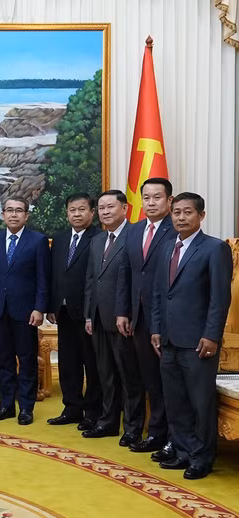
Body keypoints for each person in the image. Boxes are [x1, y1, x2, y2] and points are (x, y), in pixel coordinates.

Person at [151, 192, 232, 480]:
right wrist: (156, 329)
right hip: (169, 339)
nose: (181, 217)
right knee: (176, 401)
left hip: (199, 341)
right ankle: (183, 450)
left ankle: (201, 458)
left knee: (200, 402)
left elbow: (219, 299)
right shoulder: (165, 249)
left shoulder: (214, 249)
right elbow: (160, 294)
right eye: (176, 213)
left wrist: (212, 335)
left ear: (201, 216)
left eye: (187, 212)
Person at [116, 177, 176, 457]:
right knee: (140, 377)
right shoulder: (134, 230)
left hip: (166, 318)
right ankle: (140, 428)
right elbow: (125, 273)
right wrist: (122, 311)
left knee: (164, 382)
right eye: (147, 198)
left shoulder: (177, 230)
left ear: (169, 201)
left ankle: (162, 435)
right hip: (136, 317)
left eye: (157, 198)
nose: (151, 203)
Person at [83, 190, 144, 446]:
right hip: (97, 317)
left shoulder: (135, 237)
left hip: (123, 319)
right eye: (101, 208)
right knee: (105, 373)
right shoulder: (97, 240)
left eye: (110, 207)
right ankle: (108, 422)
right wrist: (88, 314)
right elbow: (90, 280)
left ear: (125, 209)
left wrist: (128, 313)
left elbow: (136, 282)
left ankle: (132, 427)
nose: (105, 212)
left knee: (129, 376)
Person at [0, 197, 50, 426]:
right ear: (3, 214)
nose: (14, 215)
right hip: (0, 310)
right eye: (9, 210)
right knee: (4, 360)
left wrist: (39, 308)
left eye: (19, 211)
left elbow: (43, 278)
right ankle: (6, 405)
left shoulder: (38, 241)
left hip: (26, 311)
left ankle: (26, 407)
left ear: (26, 215)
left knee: (27, 360)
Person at [46, 193, 101, 430]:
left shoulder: (99, 238)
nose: (76, 214)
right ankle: (72, 407)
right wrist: (51, 306)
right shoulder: (59, 238)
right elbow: (54, 274)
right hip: (64, 310)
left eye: (81, 210)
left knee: (92, 363)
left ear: (92, 212)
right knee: (68, 362)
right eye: (72, 210)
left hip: (89, 312)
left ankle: (94, 411)